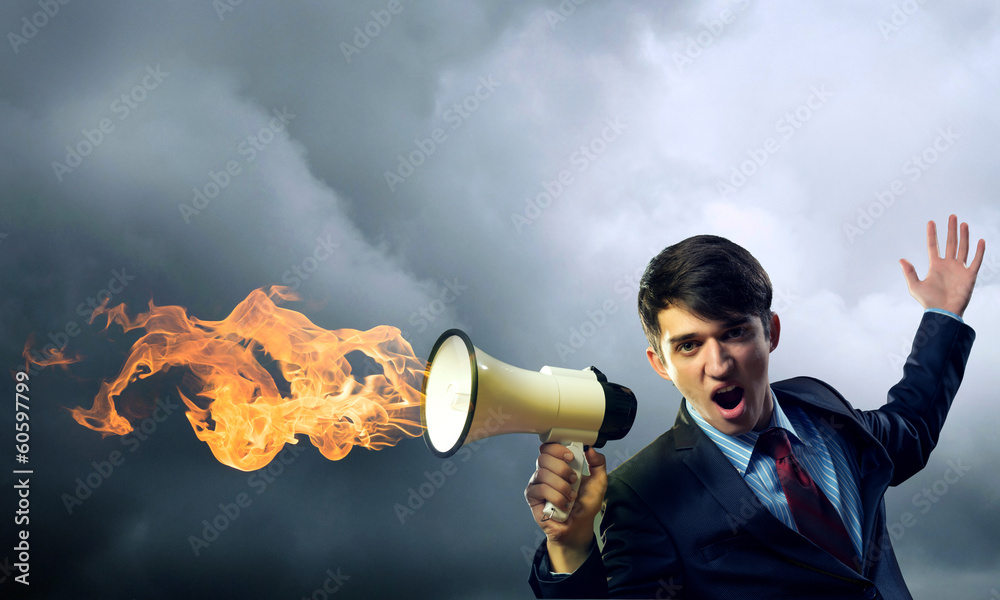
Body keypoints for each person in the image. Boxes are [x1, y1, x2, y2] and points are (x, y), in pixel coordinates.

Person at [524, 215, 986, 599]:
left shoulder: (823, 410)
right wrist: (569, 547)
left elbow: (909, 428)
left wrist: (943, 315)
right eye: (688, 346)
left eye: (734, 332)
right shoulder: (645, 494)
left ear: (771, 333)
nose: (719, 364)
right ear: (660, 365)